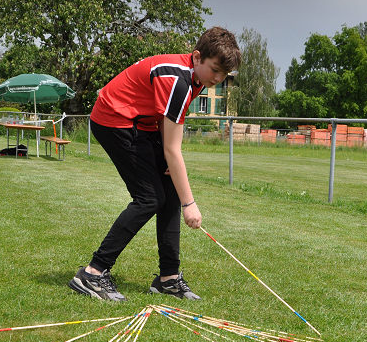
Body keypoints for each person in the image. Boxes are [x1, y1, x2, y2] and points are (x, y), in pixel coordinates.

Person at [68, 26, 242, 301]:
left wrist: (172, 173)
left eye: (224, 74)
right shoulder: (180, 81)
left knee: (170, 190)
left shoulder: (196, 78)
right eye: (215, 70)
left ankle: (168, 279)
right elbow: (173, 149)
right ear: (197, 57)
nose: (218, 79)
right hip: (114, 119)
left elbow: (165, 124)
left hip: (141, 123)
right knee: (149, 198)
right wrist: (190, 204)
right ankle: (92, 273)